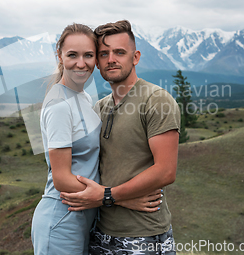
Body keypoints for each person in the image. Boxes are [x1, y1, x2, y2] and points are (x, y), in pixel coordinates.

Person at [31, 23, 163, 255]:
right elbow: (61, 179)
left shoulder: (81, 97)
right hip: (62, 218)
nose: (81, 63)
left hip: (83, 218)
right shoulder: (59, 104)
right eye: (73, 55)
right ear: (59, 56)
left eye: (89, 55)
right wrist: (118, 199)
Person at [60, 20, 181, 255]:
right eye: (103, 54)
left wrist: (107, 195)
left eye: (119, 52)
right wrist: (113, 200)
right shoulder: (99, 108)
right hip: (100, 232)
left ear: (135, 57)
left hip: (144, 235)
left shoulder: (156, 100)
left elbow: (166, 171)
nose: (111, 59)